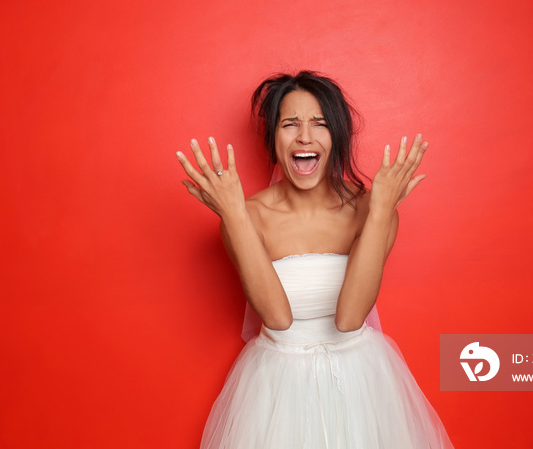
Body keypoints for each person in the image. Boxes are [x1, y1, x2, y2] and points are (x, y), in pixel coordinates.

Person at [176, 71, 453, 448]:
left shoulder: (371, 208)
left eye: (319, 124)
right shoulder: (247, 217)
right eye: (290, 124)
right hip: (277, 389)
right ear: (273, 141)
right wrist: (234, 214)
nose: (304, 136)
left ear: (336, 137)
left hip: (361, 381)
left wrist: (381, 211)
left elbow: (350, 318)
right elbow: (276, 318)